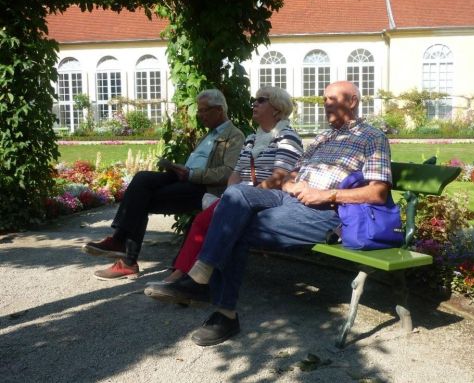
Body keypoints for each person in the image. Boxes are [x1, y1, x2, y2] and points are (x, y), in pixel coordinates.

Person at [153, 81, 393, 346]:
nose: (326, 104)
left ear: (352, 101)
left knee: (236, 226)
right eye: (324, 99)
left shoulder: (372, 138)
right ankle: (201, 275)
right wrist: (292, 184)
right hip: (288, 197)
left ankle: (222, 310)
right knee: (234, 195)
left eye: (333, 99)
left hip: (325, 211)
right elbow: (291, 173)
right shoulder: (323, 138)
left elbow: (378, 192)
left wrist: (327, 194)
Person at [144, 86, 303, 297]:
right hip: (240, 197)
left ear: (277, 108)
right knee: (206, 218)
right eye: (254, 100)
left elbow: (279, 177)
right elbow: (235, 174)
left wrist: (243, 196)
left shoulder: (287, 137)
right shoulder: (251, 139)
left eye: (261, 100)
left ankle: (183, 280)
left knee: (204, 220)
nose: (254, 104)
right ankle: (186, 279)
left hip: (268, 198)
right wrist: (230, 196)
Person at [82, 89, 245, 280]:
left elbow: (228, 172)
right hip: (185, 177)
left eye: (203, 110)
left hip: (203, 187)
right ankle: (122, 249)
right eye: (198, 111)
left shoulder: (235, 136)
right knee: (142, 178)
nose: (199, 115)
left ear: (219, 110)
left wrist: (191, 173)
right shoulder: (208, 135)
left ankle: (125, 255)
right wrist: (178, 169)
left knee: (140, 199)